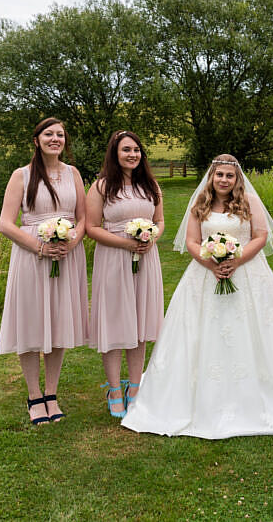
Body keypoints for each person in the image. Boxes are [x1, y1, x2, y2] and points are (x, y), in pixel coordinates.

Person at [121, 154, 273, 438]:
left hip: (247, 273)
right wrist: (211, 263)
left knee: (256, 334)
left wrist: (235, 260)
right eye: (220, 175)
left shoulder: (249, 202)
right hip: (205, 274)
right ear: (211, 177)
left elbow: (261, 236)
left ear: (237, 178)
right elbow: (192, 241)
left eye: (230, 175)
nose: (224, 180)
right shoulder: (200, 204)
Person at [0, 118, 88, 424]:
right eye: (49, 134)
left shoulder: (73, 174)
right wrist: (40, 247)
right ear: (36, 140)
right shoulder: (21, 176)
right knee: (31, 323)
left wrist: (71, 243)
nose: (55, 139)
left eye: (60, 134)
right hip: (32, 257)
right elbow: (6, 224)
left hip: (66, 256)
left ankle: (52, 393)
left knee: (59, 321)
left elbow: (83, 217)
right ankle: (34, 395)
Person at [85, 130, 165, 418]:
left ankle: (135, 385)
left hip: (145, 258)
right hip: (113, 258)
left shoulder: (151, 185)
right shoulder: (101, 187)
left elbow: (160, 220)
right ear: (115, 154)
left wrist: (151, 238)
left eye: (136, 150)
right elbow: (92, 228)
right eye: (126, 150)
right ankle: (114, 389)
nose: (132, 155)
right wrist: (126, 242)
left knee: (141, 320)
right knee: (115, 319)